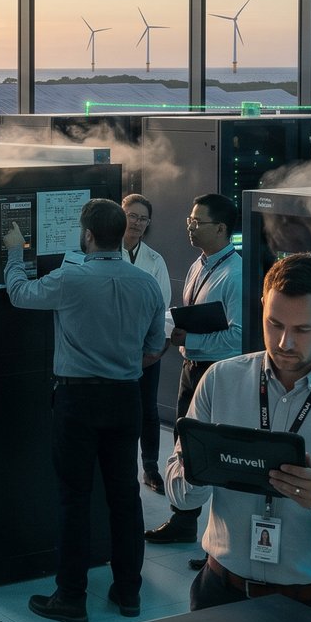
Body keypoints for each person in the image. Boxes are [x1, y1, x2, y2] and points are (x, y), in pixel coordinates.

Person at [165, 252, 311, 622]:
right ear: (261, 308)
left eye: (302, 330)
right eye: (274, 324)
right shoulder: (220, 380)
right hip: (219, 593)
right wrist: (195, 470)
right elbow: (177, 492)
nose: (285, 342)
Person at [3, 199, 168, 622]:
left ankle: (71, 598)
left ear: (88, 235)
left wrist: (15, 253)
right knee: (125, 498)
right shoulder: (146, 284)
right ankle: (128, 591)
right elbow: (154, 347)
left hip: (77, 401)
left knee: (74, 499)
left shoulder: (70, 279)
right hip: (124, 399)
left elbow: (20, 295)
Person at [145, 192, 251, 545]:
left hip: (219, 373)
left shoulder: (236, 275)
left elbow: (239, 336)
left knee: (214, 451)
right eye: (189, 221)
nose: (189, 228)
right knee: (183, 441)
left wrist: (189, 337)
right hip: (192, 367)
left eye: (197, 222)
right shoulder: (198, 264)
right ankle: (183, 519)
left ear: (221, 228)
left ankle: (220, 536)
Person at [120, 193, 173, 494]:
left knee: (148, 410)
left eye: (143, 218)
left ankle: (150, 468)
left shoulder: (154, 260)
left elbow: (164, 308)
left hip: (146, 350)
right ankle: (122, 468)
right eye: (132, 215)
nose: (138, 223)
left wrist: (153, 351)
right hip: (113, 349)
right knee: (120, 409)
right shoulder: (106, 252)